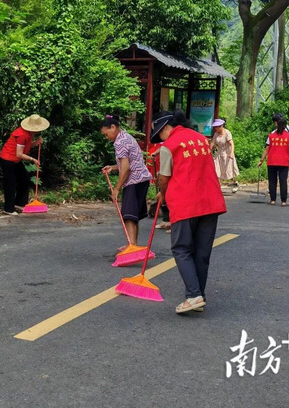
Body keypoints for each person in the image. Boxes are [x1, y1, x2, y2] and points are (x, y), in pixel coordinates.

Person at [152, 110, 226, 314]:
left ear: (167, 127)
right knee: (202, 253)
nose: (160, 138)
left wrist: (162, 194)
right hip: (210, 202)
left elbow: (164, 179)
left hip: (186, 203)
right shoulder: (201, 139)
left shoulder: (169, 146)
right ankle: (198, 295)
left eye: (160, 133)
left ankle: (193, 295)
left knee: (182, 249)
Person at [101, 115, 152, 247]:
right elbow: (129, 162)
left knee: (128, 214)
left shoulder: (120, 142)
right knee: (133, 215)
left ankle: (132, 245)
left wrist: (117, 189)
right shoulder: (126, 136)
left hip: (134, 180)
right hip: (142, 179)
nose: (107, 137)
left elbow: (126, 168)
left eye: (107, 134)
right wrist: (113, 167)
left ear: (113, 127)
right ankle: (132, 243)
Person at [0, 114, 49, 215]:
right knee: (10, 184)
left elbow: (25, 146)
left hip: (16, 160)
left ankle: (19, 203)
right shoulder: (22, 135)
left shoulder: (29, 133)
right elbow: (19, 153)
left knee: (24, 179)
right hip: (7, 160)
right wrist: (33, 159)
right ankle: (8, 209)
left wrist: (36, 143)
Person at [258, 114, 289, 206]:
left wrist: (261, 160)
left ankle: (273, 200)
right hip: (284, 162)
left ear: (276, 124)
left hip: (272, 161)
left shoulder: (271, 136)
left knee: (272, 181)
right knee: (283, 181)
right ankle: (284, 201)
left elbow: (267, 149)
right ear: (284, 125)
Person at [210, 118, 239, 192]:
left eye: (217, 127)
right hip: (219, 153)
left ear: (221, 126)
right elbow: (213, 143)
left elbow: (231, 144)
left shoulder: (227, 133)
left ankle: (235, 182)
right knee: (216, 168)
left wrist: (232, 153)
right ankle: (217, 186)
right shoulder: (216, 134)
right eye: (215, 127)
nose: (216, 128)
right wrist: (209, 150)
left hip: (227, 153)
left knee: (229, 169)